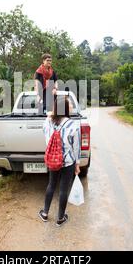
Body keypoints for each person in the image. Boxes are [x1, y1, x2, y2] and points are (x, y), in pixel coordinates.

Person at [39, 95, 81, 226]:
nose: (72, 107)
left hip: (53, 161)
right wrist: (77, 164)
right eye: (70, 105)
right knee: (63, 189)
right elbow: (76, 147)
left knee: (51, 185)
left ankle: (45, 213)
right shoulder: (73, 125)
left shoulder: (48, 122)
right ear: (66, 109)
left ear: (56, 108)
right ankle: (60, 218)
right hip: (68, 162)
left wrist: (51, 113)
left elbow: (46, 136)